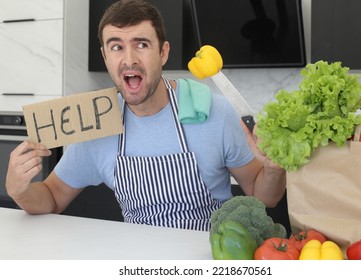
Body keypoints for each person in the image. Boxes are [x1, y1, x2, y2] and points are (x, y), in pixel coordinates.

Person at [6, 0, 286, 231]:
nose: (129, 59)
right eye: (117, 47)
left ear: (163, 52)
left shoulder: (214, 111)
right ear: (105, 57)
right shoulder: (97, 123)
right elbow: (53, 198)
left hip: (210, 255)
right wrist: (20, 191)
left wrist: (274, 170)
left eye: (141, 44)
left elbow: (264, 198)